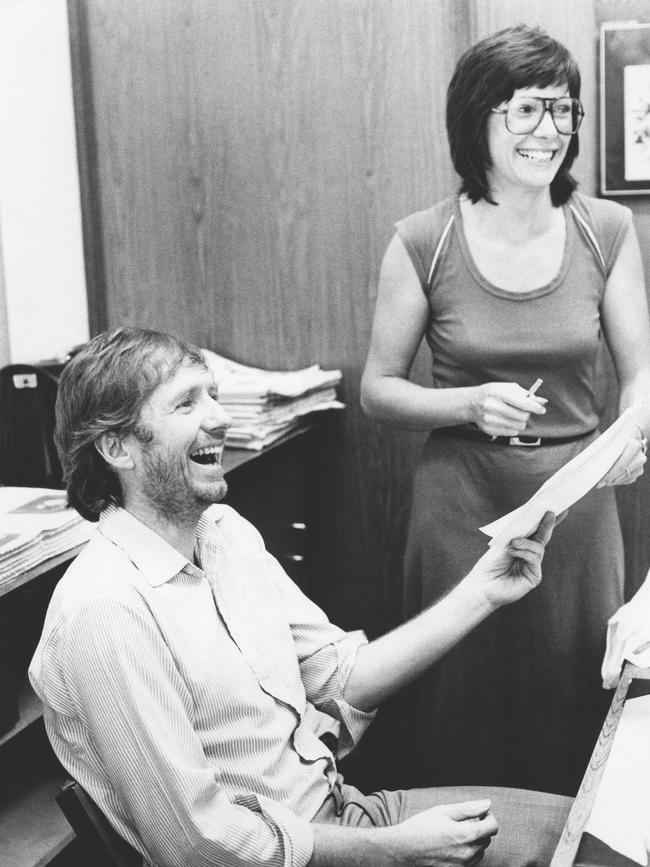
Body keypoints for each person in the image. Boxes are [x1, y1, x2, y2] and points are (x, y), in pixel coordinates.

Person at [29, 326, 572, 867]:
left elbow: (338, 678)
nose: (220, 417)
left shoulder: (224, 533)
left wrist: (483, 590)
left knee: (596, 831)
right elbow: (196, 846)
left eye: (212, 394)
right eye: (185, 403)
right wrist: (396, 851)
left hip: (346, 819)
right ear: (117, 446)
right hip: (315, 853)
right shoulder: (104, 609)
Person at [361, 24, 650, 796]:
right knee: (460, 695)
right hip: (460, 503)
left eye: (563, 111)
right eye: (525, 111)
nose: (548, 131)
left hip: (580, 503)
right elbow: (377, 388)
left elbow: (642, 369)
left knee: (575, 689)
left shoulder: (609, 229)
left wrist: (632, 429)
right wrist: (466, 402)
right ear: (477, 121)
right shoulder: (422, 240)